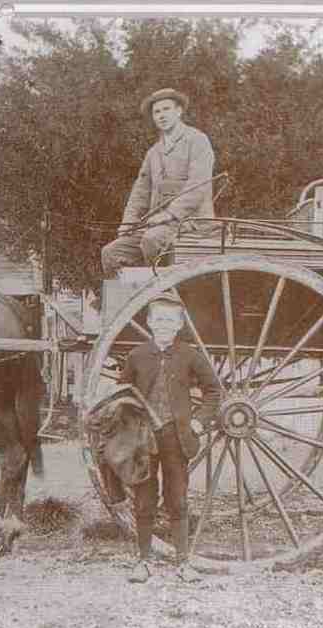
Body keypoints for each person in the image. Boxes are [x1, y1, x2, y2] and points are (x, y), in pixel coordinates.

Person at [117, 291, 223, 583]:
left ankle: (183, 563)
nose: (164, 324)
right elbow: (122, 394)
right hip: (144, 440)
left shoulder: (189, 355)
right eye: (159, 319)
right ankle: (143, 561)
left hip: (177, 440)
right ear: (150, 322)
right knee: (144, 500)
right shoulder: (137, 356)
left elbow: (214, 391)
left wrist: (200, 422)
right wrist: (129, 427)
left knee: (178, 500)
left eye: (170, 320)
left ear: (179, 325)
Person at [101, 88, 216, 276]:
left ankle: (162, 299)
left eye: (166, 109)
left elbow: (199, 185)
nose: (161, 116)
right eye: (157, 112)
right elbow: (140, 192)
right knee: (111, 253)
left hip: (192, 223)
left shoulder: (197, 141)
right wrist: (128, 222)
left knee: (151, 240)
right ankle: (124, 302)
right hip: (157, 226)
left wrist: (170, 214)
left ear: (178, 111)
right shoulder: (154, 152)